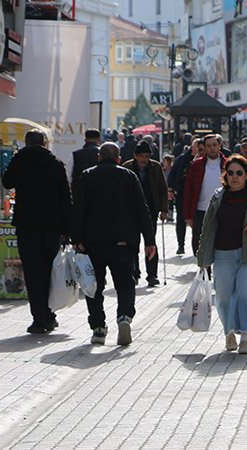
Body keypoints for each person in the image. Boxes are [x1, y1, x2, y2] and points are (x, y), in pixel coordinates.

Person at [71, 142, 156, 346]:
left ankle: (98, 327)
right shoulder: (129, 176)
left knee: (94, 285)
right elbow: (141, 208)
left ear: (99, 157)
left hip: (93, 241)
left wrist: (76, 239)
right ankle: (124, 317)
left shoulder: (87, 175)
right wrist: (149, 240)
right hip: (123, 241)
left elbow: (78, 209)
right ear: (118, 159)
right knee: (125, 283)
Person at [197, 155, 247, 355]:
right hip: (223, 254)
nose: (234, 177)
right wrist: (202, 257)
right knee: (223, 296)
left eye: (239, 173)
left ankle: (245, 338)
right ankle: (229, 331)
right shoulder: (218, 197)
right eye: (230, 173)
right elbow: (207, 228)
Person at [3, 129, 71, 334]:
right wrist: (68, 228)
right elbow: (65, 197)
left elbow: (7, 182)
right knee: (51, 271)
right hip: (52, 226)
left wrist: (16, 159)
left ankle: (38, 319)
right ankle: (49, 315)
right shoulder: (56, 163)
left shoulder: (19, 160)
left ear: (26, 143)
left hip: (27, 225)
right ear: (44, 143)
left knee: (33, 273)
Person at [123, 141, 168, 287]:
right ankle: (134, 273)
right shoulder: (127, 167)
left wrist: (164, 209)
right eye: (141, 156)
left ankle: (152, 275)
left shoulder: (155, 167)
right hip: (131, 212)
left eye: (147, 156)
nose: (144, 159)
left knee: (151, 242)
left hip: (150, 211)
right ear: (135, 156)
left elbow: (163, 189)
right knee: (132, 243)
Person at [184, 134, 226, 256]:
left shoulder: (228, 164)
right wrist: (187, 215)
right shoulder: (196, 165)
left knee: (222, 246)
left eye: (214, 145)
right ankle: (204, 267)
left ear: (219, 146)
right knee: (200, 247)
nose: (212, 148)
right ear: (204, 148)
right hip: (201, 211)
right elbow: (188, 190)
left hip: (222, 211)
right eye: (208, 146)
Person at [169, 138, 202, 254]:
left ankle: (197, 246)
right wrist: (170, 189)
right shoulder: (182, 159)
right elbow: (173, 174)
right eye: (197, 147)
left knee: (197, 222)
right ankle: (181, 245)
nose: (199, 150)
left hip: (198, 196)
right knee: (181, 220)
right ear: (192, 147)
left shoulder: (205, 160)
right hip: (182, 194)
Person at [71, 128, 101, 194]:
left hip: (79, 193)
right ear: (99, 140)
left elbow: (69, 175)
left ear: (85, 140)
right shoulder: (103, 154)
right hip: (98, 193)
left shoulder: (75, 154)